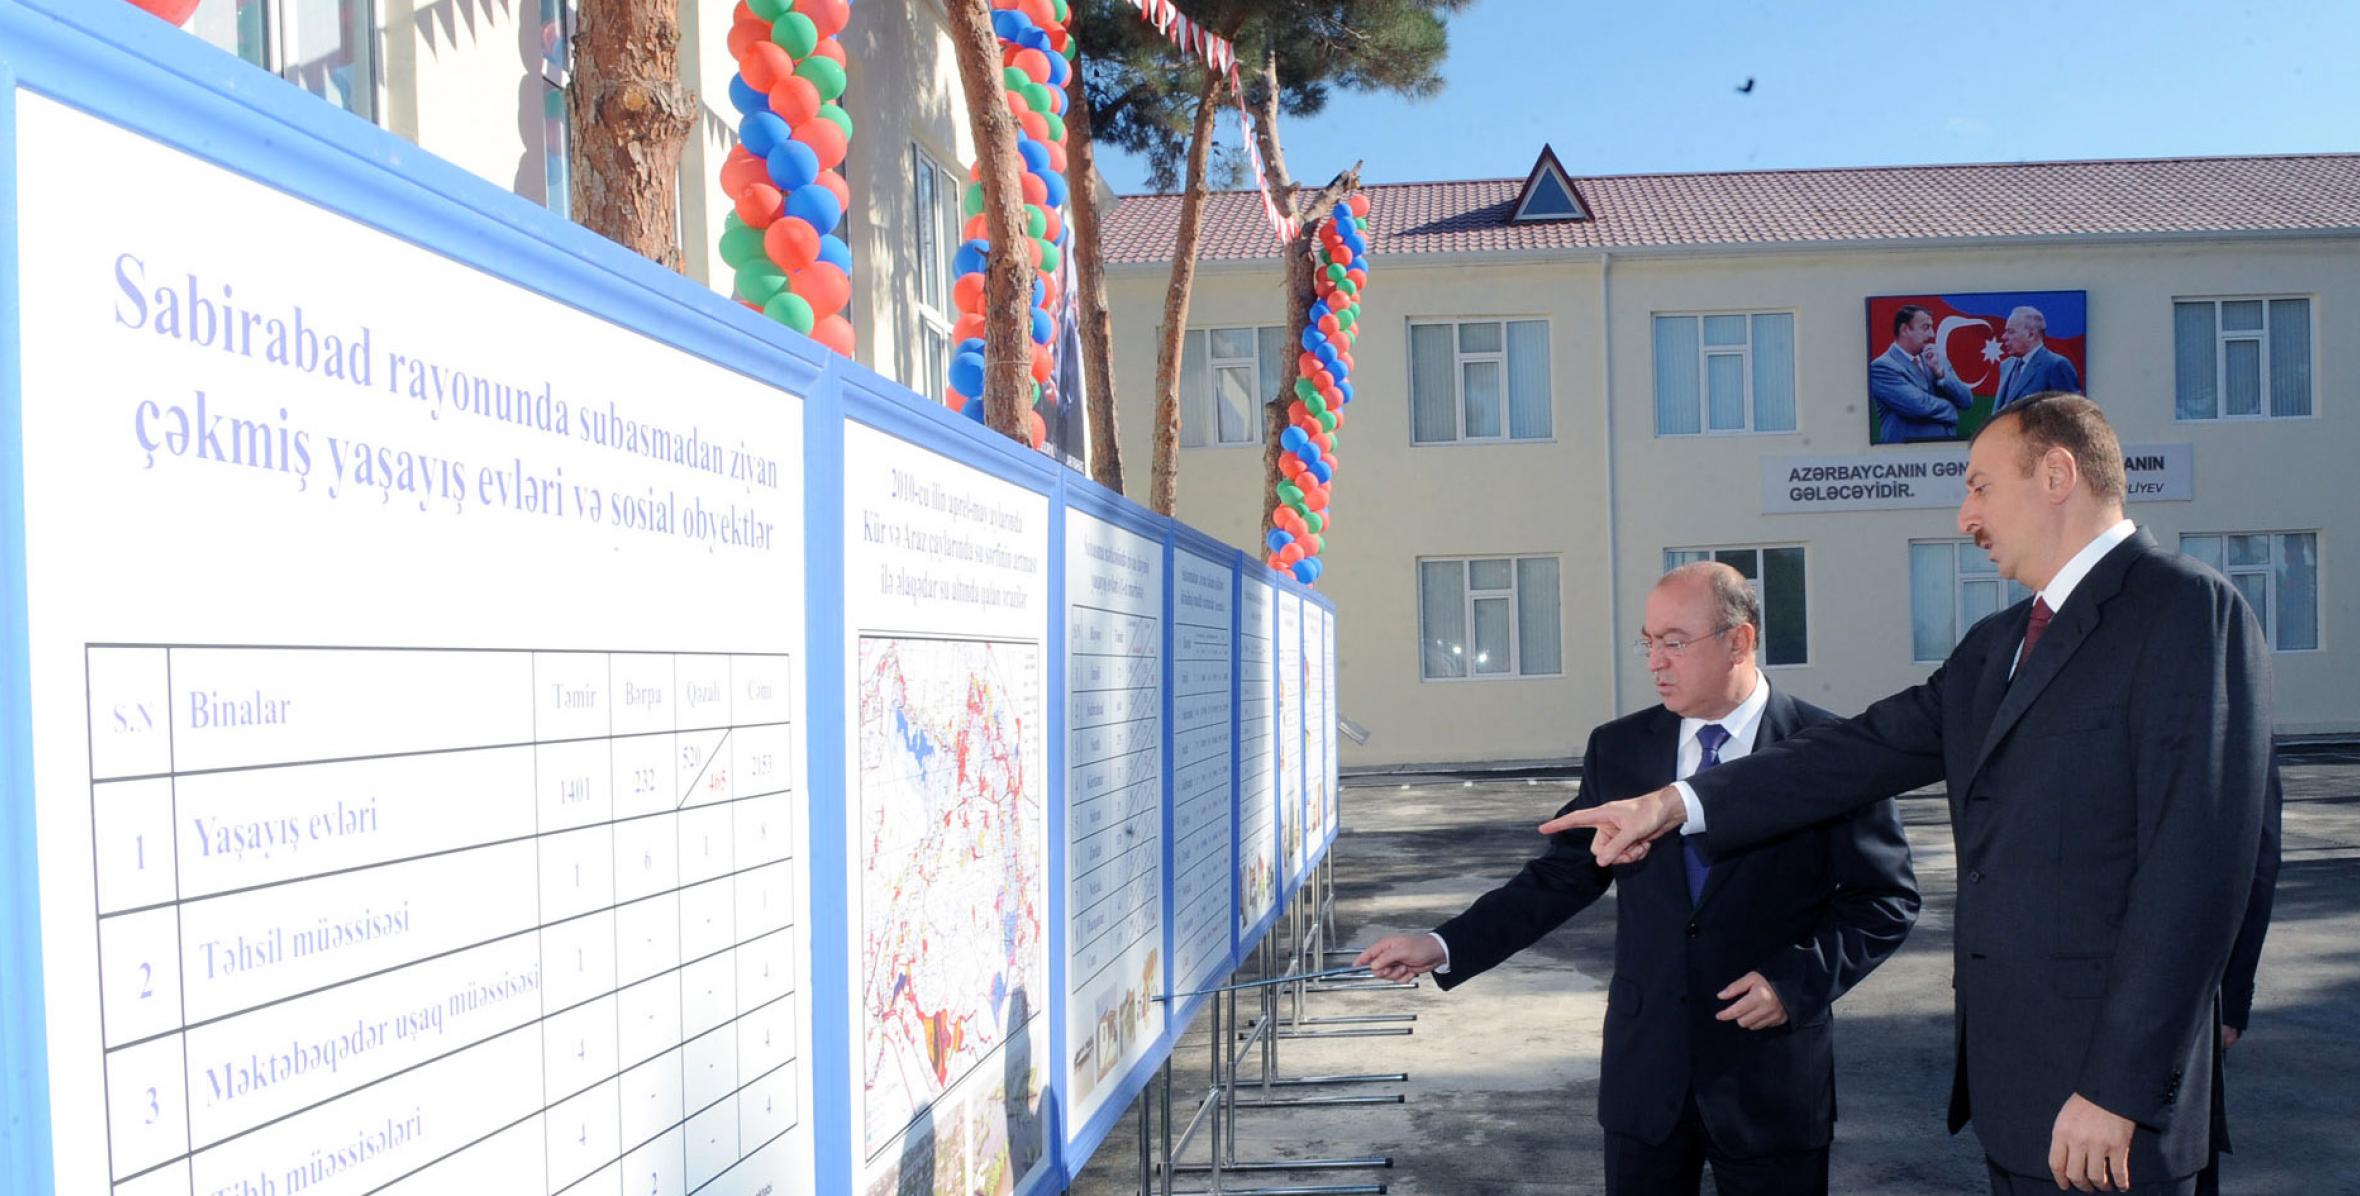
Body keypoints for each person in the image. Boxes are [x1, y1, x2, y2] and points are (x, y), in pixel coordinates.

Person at [1555, 393, 2272, 1195]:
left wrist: (2122, 1086)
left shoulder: (2182, 609)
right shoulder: (1997, 645)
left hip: (2106, 1103)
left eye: (1980, 486)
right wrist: (1674, 804)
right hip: (2018, 1092)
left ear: (2058, 474)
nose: (1966, 514)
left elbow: (2200, 864)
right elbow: (1854, 751)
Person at [1356, 563, 1919, 1196]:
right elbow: (1562, 876)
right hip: (1644, 1077)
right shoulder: (1619, 749)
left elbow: (1885, 899)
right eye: (1648, 642)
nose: (1655, 662)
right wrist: (1443, 943)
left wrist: (1797, 983)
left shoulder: (1831, 752)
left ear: (1740, 641)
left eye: (1675, 642)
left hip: (1771, 1080)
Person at [1871, 304, 1976, 442]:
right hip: (1906, 457)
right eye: (1925, 327)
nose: (1932, 334)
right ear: (1905, 329)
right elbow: (1919, 406)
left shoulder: (1936, 359)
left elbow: (1966, 401)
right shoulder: (1882, 367)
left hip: (1944, 453)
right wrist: (1951, 409)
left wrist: (1940, 374)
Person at [1993, 306, 2082, 413]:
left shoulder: (2056, 365)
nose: (2004, 337)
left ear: (2030, 335)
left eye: (2011, 332)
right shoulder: (2006, 365)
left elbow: (2070, 415)